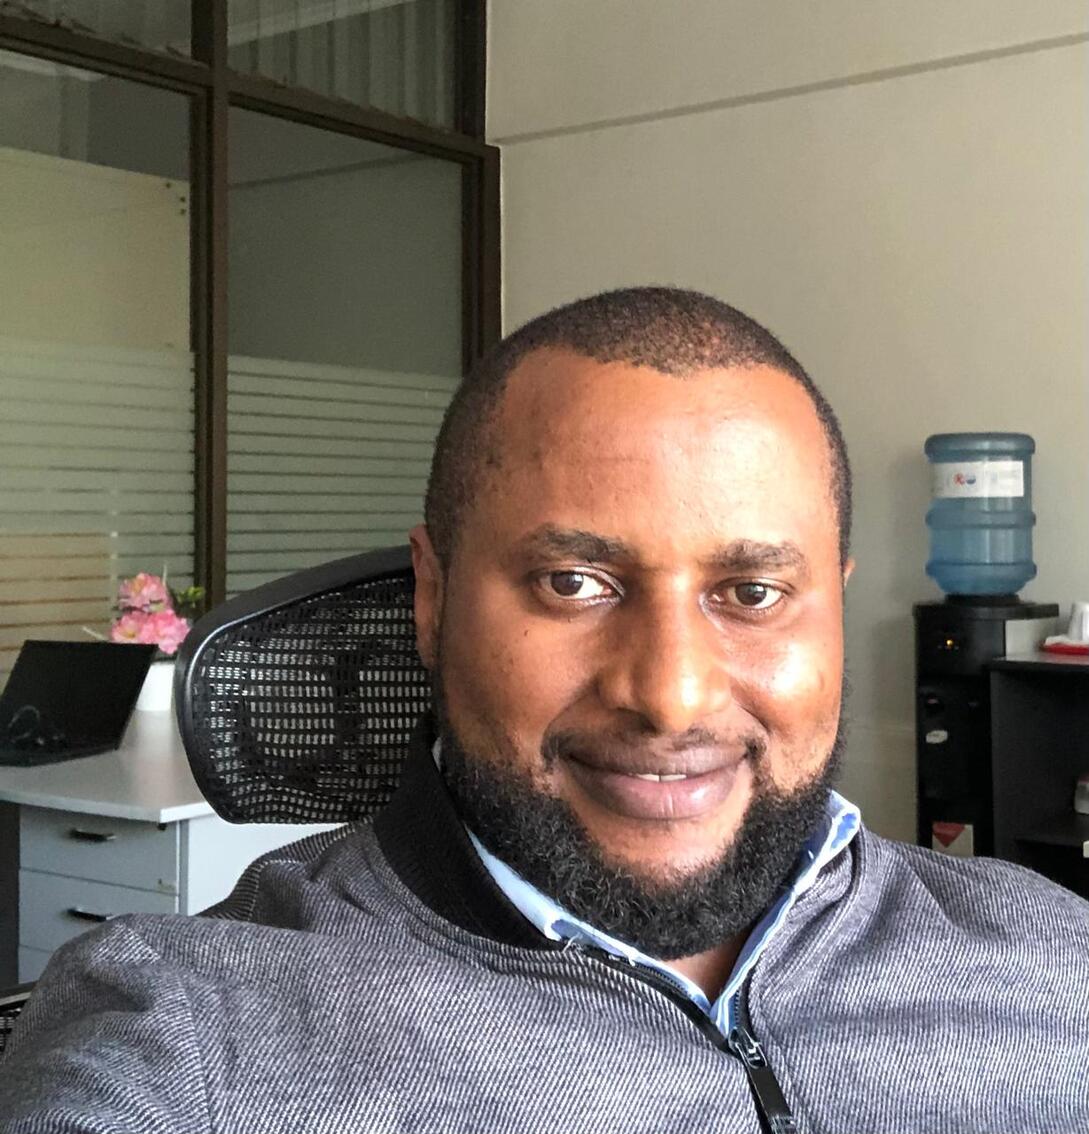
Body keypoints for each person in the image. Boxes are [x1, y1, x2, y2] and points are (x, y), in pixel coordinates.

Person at [2, 287, 1087, 1133]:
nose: (669, 695)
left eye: (752, 593)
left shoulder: (1054, 953)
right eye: (574, 583)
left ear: (834, 609)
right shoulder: (190, 1036)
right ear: (432, 598)